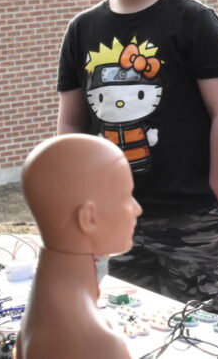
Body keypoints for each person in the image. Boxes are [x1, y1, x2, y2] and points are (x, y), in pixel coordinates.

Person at [56, 0, 218, 316]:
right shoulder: (82, 29)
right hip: (112, 216)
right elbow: (70, 127)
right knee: (126, 329)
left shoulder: (194, 22)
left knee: (195, 334)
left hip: (190, 218)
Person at [16, 133, 142, 359]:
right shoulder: (98, 344)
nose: (137, 209)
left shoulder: (44, 309)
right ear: (88, 218)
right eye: (126, 197)